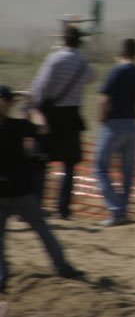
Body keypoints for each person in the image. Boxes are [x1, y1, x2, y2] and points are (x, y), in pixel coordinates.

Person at [0, 85, 84, 293]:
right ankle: (62, 267)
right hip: (21, 190)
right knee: (43, 231)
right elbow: (43, 128)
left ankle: (2, 276)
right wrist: (32, 103)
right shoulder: (17, 125)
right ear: (10, 104)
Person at [28, 25, 95, 220]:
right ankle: (64, 209)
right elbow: (92, 77)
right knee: (69, 165)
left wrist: (35, 108)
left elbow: (41, 87)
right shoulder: (83, 63)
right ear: (79, 41)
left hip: (51, 115)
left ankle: (37, 206)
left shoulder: (54, 59)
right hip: (72, 116)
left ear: (64, 40)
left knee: (41, 162)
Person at [93, 39, 135, 227]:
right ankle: (123, 210)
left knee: (100, 167)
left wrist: (101, 118)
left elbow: (104, 98)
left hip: (114, 125)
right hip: (132, 125)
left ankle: (116, 211)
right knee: (128, 171)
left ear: (121, 52)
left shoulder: (117, 70)